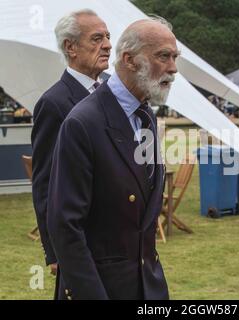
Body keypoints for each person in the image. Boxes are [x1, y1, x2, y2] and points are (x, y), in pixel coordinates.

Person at [47, 17, 178, 300]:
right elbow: (65, 226)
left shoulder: (146, 117)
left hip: (146, 285)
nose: (173, 68)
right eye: (163, 56)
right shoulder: (82, 123)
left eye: (174, 57)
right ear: (129, 60)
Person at [31, 9, 111, 279]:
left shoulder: (112, 90)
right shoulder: (53, 103)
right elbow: (45, 182)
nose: (108, 45)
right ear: (71, 47)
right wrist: (54, 252)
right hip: (81, 238)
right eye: (97, 38)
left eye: (108, 37)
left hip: (115, 240)